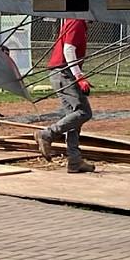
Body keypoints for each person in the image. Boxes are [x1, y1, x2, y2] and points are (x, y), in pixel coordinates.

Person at [33, 18, 96, 173]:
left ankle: (74, 161)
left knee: (73, 117)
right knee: (84, 112)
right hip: (63, 72)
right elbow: (68, 49)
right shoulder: (77, 21)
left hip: (59, 73)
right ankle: (47, 134)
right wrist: (79, 76)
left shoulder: (76, 21)